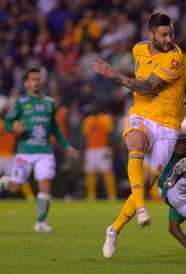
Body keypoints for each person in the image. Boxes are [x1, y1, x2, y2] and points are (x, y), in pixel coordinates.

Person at [92, 13, 186, 234]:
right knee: (136, 146)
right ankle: (142, 207)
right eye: (164, 34)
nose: (169, 39)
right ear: (150, 35)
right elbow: (146, 83)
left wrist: (112, 74)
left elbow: (147, 87)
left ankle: (113, 230)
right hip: (142, 114)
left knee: (144, 186)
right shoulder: (138, 49)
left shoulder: (175, 58)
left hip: (168, 124)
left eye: (171, 33)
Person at [0, 67, 79, 232]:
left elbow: (55, 128)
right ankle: (5, 182)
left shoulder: (49, 102)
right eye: (33, 79)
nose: (36, 82)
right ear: (26, 83)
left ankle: (41, 222)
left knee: (45, 182)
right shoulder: (21, 103)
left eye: (38, 79)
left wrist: (66, 146)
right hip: (25, 151)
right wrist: (15, 127)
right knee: (15, 187)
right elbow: (7, 123)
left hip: (45, 151)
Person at [0, 103, 35, 201]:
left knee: (19, 177)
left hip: (9, 156)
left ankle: (30, 197)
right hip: (3, 155)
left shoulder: (13, 125)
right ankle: (30, 197)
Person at [82, 101, 116, 200]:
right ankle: (91, 195)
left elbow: (109, 134)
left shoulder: (106, 118)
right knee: (90, 173)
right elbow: (86, 136)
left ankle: (112, 195)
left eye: (96, 106)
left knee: (107, 172)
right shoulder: (87, 120)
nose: (94, 108)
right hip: (90, 149)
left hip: (103, 148)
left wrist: (109, 149)